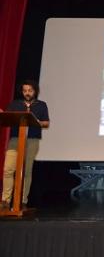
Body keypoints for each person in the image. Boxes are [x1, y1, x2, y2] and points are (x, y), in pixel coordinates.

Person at [0, 80, 50, 210]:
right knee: (8, 169)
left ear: (35, 91)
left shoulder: (41, 105)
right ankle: (5, 201)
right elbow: (7, 117)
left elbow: (46, 123)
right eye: (25, 91)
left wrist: (37, 121)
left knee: (26, 171)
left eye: (30, 90)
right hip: (15, 139)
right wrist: (3, 114)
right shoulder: (15, 104)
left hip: (32, 140)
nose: (27, 93)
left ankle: (23, 201)